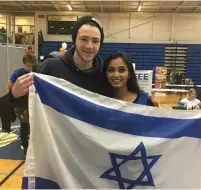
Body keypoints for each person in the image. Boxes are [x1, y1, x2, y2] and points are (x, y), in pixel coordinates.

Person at [8, 15, 104, 107]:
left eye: (95, 41)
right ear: (75, 40)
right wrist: (14, 94)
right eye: (84, 39)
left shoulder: (104, 76)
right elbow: (31, 106)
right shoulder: (50, 68)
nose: (89, 46)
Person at [6, 54, 36, 158]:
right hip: (22, 104)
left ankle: (33, 146)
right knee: (24, 125)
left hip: (34, 103)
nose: (30, 68)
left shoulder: (36, 72)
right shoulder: (18, 73)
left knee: (33, 126)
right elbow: (9, 86)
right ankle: (26, 148)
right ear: (24, 64)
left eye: (32, 65)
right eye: (28, 66)